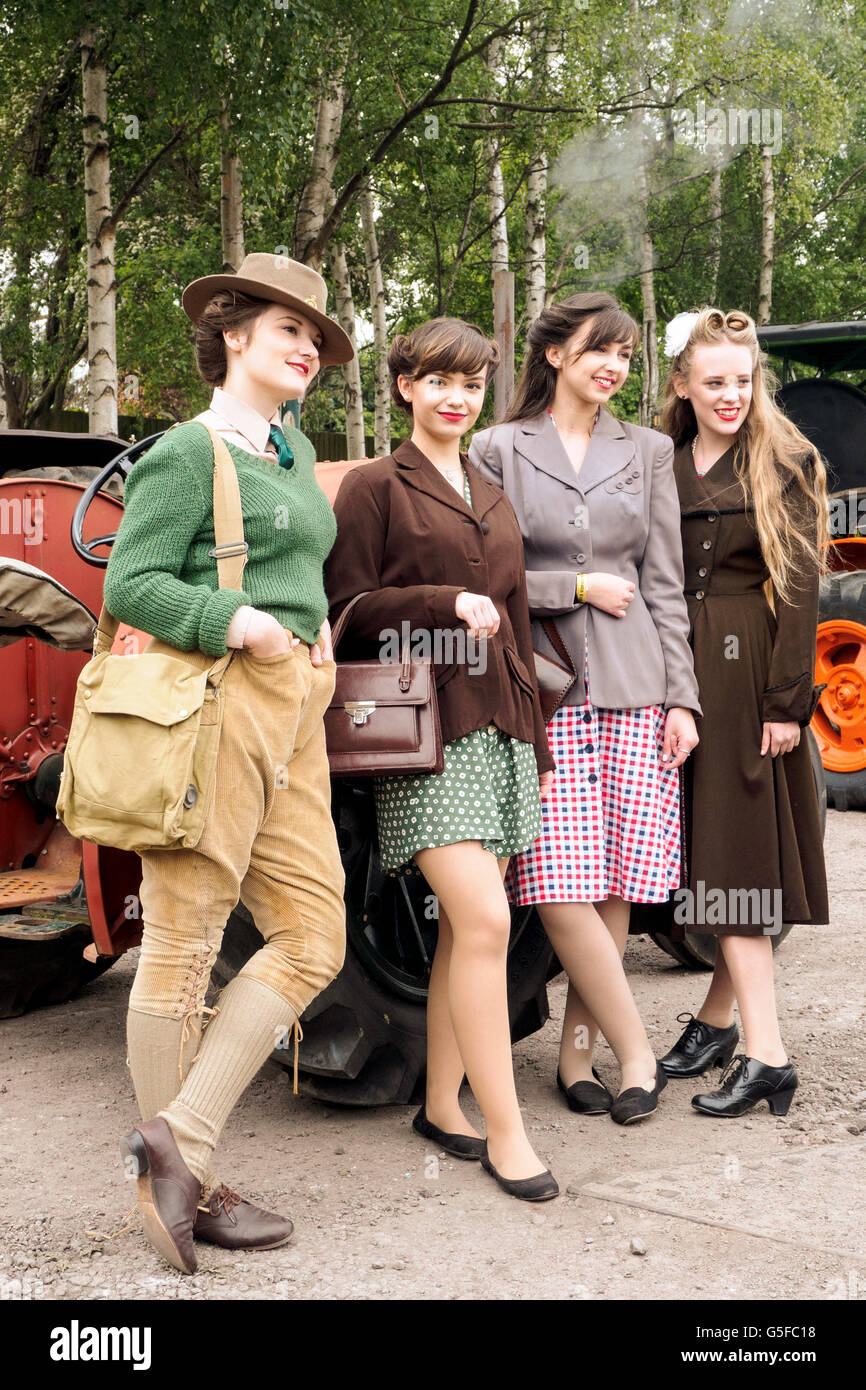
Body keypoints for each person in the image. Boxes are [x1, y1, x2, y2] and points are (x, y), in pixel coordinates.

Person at [102, 253, 353, 1273]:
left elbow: (297, 565)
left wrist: (313, 636)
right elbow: (132, 583)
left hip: (293, 704)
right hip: (213, 700)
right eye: (286, 330)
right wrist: (234, 618)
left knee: (311, 933)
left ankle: (179, 1140)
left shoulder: (290, 454)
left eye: (316, 339)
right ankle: (183, 1185)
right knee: (183, 937)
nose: (304, 350)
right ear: (233, 335)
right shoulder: (185, 451)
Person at [325, 317, 559, 1201]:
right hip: (421, 739)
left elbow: (524, 625)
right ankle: (509, 1134)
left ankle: (440, 1104)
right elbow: (347, 611)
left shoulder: (493, 492)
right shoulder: (375, 487)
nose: (456, 397)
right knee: (491, 925)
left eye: (471, 382)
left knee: (469, 929)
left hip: (498, 727)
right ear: (405, 389)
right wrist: (442, 599)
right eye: (438, 380)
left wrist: (532, 744)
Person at [469, 291, 701, 1124]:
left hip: (638, 685)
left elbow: (667, 585)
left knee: (613, 882)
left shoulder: (646, 451)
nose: (614, 366)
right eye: (599, 349)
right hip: (546, 683)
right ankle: (638, 1049)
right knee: (559, 878)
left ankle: (577, 1062)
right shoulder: (495, 448)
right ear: (556, 354)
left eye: (628, 355)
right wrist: (569, 584)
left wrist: (685, 698)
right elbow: (484, 576)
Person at [636, 307, 829, 1117]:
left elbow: (801, 585)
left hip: (748, 666)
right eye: (713, 381)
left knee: (736, 854)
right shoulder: (658, 462)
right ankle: (719, 1020)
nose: (730, 395)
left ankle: (767, 1053)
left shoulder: (785, 460)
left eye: (743, 381)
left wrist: (787, 703)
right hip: (673, 661)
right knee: (704, 849)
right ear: (681, 383)